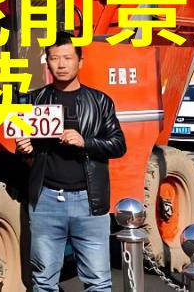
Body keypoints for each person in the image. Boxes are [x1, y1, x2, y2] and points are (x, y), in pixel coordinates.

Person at [17, 31, 127, 291]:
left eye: (67, 57)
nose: (61, 64)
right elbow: (28, 149)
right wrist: (24, 148)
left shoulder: (100, 101)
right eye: (54, 58)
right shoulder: (33, 100)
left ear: (80, 61)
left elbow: (118, 145)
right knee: (43, 281)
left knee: (98, 281)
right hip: (46, 200)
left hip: (89, 201)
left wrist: (85, 141)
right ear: (47, 62)